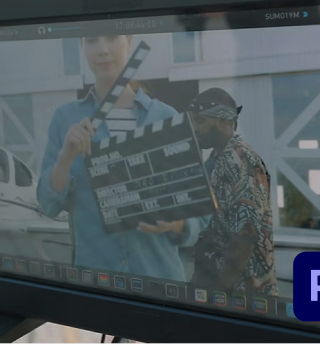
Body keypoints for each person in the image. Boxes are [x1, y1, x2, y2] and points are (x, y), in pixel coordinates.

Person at [37, 35, 204, 281]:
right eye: (92, 40)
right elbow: (48, 205)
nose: (103, 50)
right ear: (82, 46)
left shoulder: (166, 118)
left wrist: (176, 224)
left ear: (129, 42)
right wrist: (64, 158)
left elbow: (198, 218)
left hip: (160, 282)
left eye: (112, 38)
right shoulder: (65, 119)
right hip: (97, 285)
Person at [188, 88, 278, 296]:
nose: (194, 128)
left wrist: (220, 291)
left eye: (200, 121)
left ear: (223, 122)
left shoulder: (240, 159)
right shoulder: (217, 157)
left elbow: (244, 238)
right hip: (213, 283)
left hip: (239, 293)